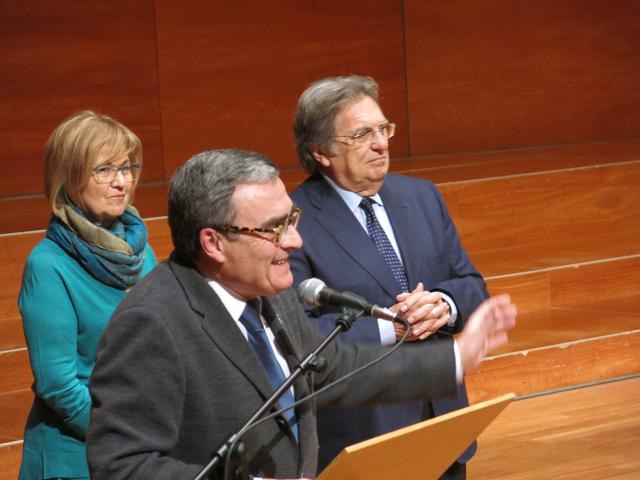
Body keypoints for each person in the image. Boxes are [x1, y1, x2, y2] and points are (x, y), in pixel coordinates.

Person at [86, 148, 515, 480]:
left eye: (291, 220)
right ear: (213, 243)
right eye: (274, 228)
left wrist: (457, 357)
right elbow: (121, 466)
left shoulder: (270, 293)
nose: (294, 241)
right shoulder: (152, 323)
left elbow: (332, 369)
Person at [290, 75, 488, 478]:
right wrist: (389, 327)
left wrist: (444, 306)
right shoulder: (292, 222)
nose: (381, 144)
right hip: (365, 434)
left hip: (442, 417)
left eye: (384, 129)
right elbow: (297, 338)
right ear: (321, 151)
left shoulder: (422, 196)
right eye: (361, 134)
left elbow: (472, 285)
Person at [17, 111, 157, 480]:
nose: (121, 181)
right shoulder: (48, 265)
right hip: (77, 457)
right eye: (104, 170)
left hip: (141, 444)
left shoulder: (141, 251)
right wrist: (122, 436)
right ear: (69, 177)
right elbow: (58, 386)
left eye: (126, 168)